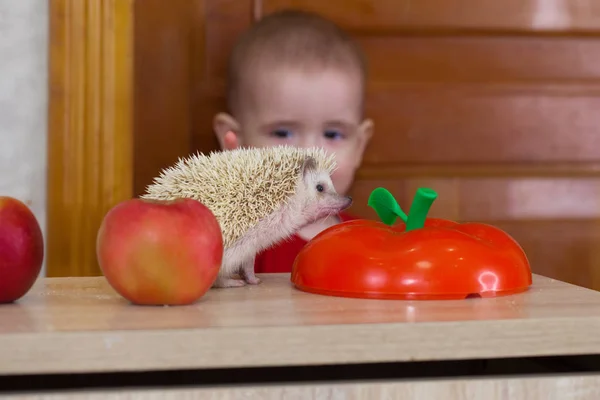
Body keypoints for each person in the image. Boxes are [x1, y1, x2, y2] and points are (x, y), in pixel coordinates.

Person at [213, 9, 374, 273]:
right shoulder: (233, 245)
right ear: (234, 142)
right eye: (283, 133)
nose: (310, 157)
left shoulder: (369, 241)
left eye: (333, 134)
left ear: (359, 146)